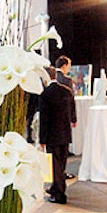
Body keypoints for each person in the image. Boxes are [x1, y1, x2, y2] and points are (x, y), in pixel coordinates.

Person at [39, 66, 77, 204]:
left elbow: (44, 118)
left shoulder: (45, 94)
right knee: (61, 163)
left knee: (55, 165)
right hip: (65, 133)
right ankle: (56, 187)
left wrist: (42, 139)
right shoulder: (67, 91)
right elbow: (73, 108)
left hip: (52, 135)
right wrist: (74, 120)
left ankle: (60, 194)